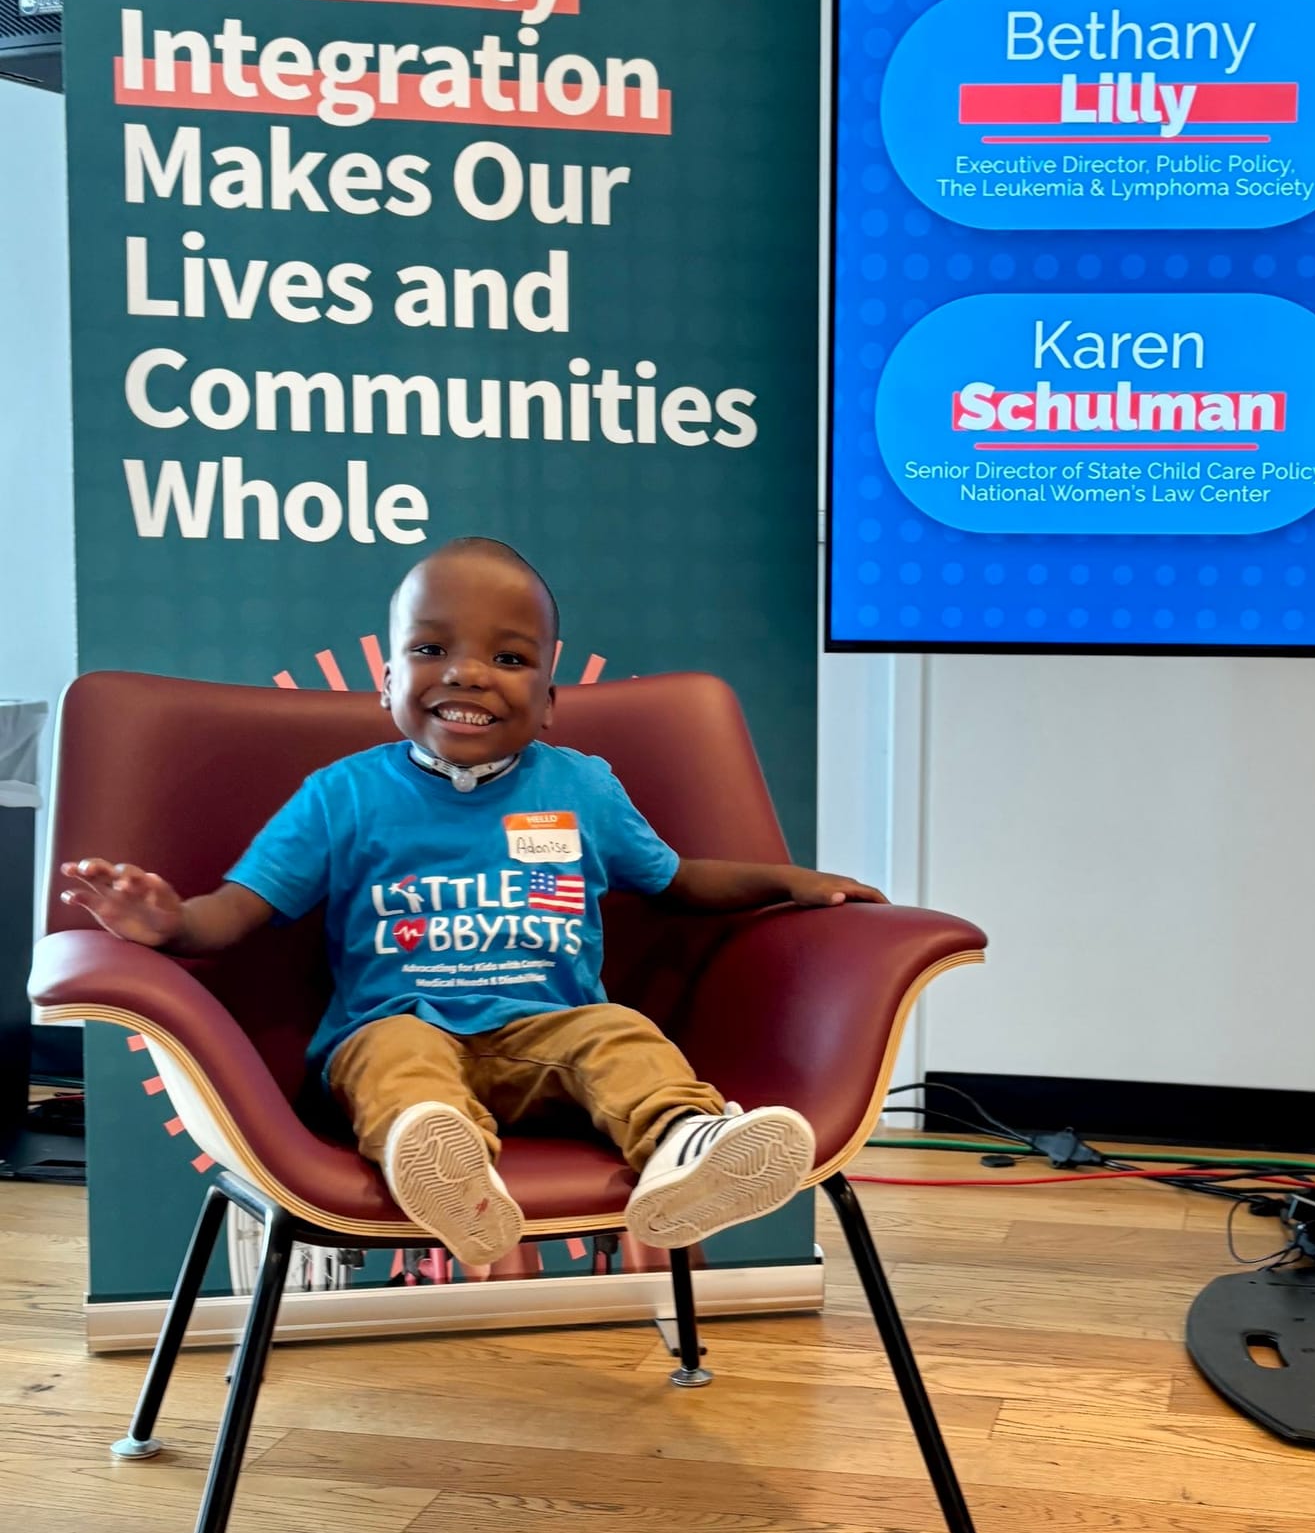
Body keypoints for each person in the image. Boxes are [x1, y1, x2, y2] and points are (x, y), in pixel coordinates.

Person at [58, 535, 883, 1268]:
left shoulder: (583, 787)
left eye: (512, 659)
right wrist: (166, 922)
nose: (467, 672)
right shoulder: (339, 795)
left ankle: (685, 1149)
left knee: (621, 1032)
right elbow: (234, 911)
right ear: (386, 683)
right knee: (395, 1059)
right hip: (396, 1024)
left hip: (545, 1031)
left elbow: (673, 880)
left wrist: (788, 881)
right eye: (430, 647)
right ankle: (452, 1173)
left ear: (552, 702)